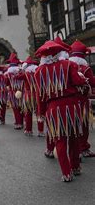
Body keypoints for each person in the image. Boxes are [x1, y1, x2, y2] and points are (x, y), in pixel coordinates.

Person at [34, 40, 88, 182]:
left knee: (60, 140)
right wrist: (83, 80)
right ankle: (75, 167)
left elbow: (40, 95)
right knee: (74, 137)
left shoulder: (39, 72)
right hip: (71, 106)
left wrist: (41, 112)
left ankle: (66, 173)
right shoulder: (69, 64)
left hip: (53, 109)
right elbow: (79, 82)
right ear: (59, 53)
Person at [69, 40, 95, 158]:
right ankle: (83, 147)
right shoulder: (85, 68)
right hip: (82, 101)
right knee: (83, 125)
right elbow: (92, 82)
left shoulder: (66, 67)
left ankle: (74, 150)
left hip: (69, 102)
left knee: (72, 125)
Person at [21, 56, 42, 137]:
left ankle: (28, 130)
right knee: (39, 113)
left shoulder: (25, 74)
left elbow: (16, 77)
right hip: (37, 94)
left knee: (28, 113)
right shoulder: (38, 73)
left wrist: (21, 71)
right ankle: (40, 131)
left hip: (28, 96)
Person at [4, 53, 25, 130]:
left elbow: (6, 83)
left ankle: (18, 123)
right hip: (22, 91)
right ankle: (21, 122)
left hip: (13, 92)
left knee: (16, 108)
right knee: (22, 107)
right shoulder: (21, 71)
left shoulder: (8, 73)